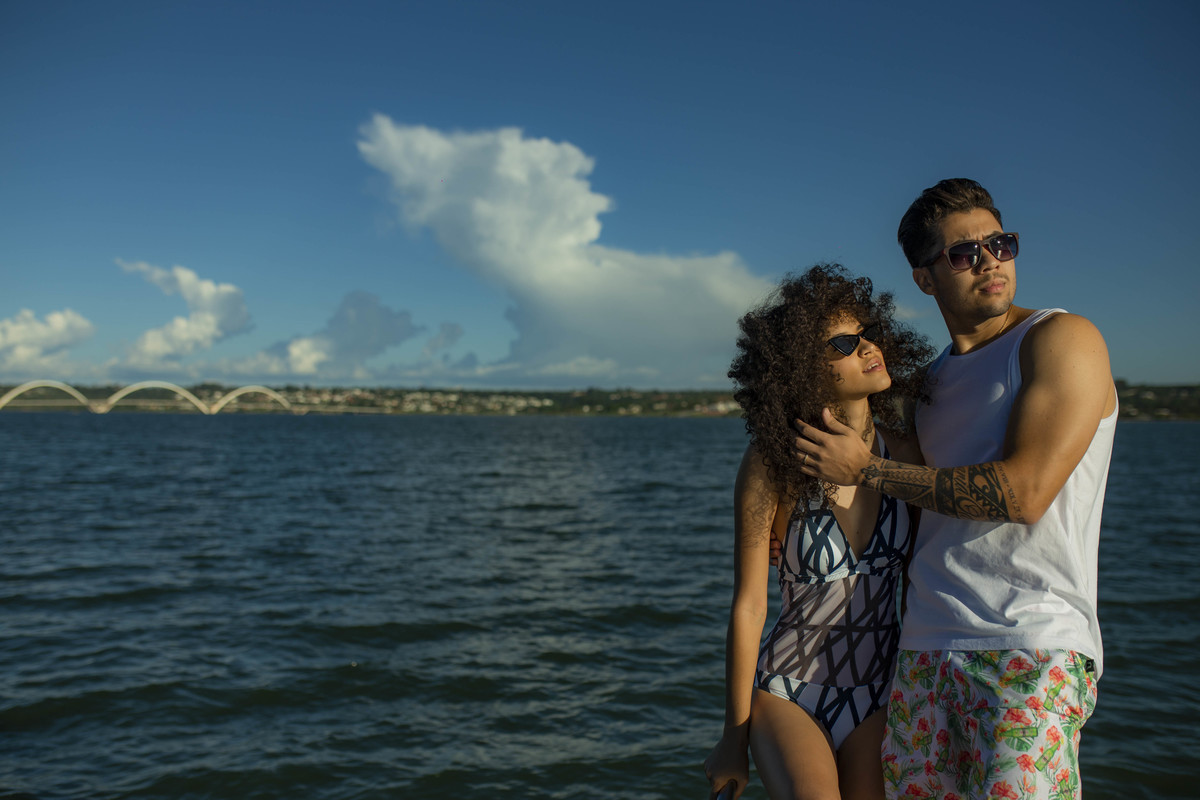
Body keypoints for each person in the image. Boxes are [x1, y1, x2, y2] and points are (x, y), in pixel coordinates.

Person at [793, 179, 1117, 799]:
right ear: (925, 278)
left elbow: (1024, 494)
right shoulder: (926, 385)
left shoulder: (1059, 340)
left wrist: (867, 470)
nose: (990, 260)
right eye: (964, 253)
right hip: (921, 651)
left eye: (1001, 243)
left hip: (1031, 644)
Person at [704, 264, 933, 800]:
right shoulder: (771, 464)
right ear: (803, 368)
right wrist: (732, 739)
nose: (869, 347)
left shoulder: (903, 454)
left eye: (869, 332)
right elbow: (748, 608)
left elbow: (925, 579)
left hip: (880, 692)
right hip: (789, 691)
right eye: (844, 343)